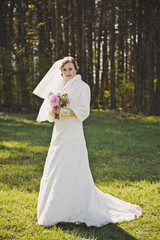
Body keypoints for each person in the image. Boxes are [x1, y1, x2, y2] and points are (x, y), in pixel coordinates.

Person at [33, 56, 142, 227]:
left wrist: (64, 111)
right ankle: (55, 208)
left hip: (73, 132)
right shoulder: (59, 87)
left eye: (70, 69)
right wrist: (53, 110)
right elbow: (51, 113)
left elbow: (84, 111)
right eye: (64, 70)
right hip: (59, 132)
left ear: (76, 69)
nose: (67, 73)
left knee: (73, 165)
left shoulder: (83, 87)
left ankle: (76, 206)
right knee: (56, 165)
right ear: (60, 72)